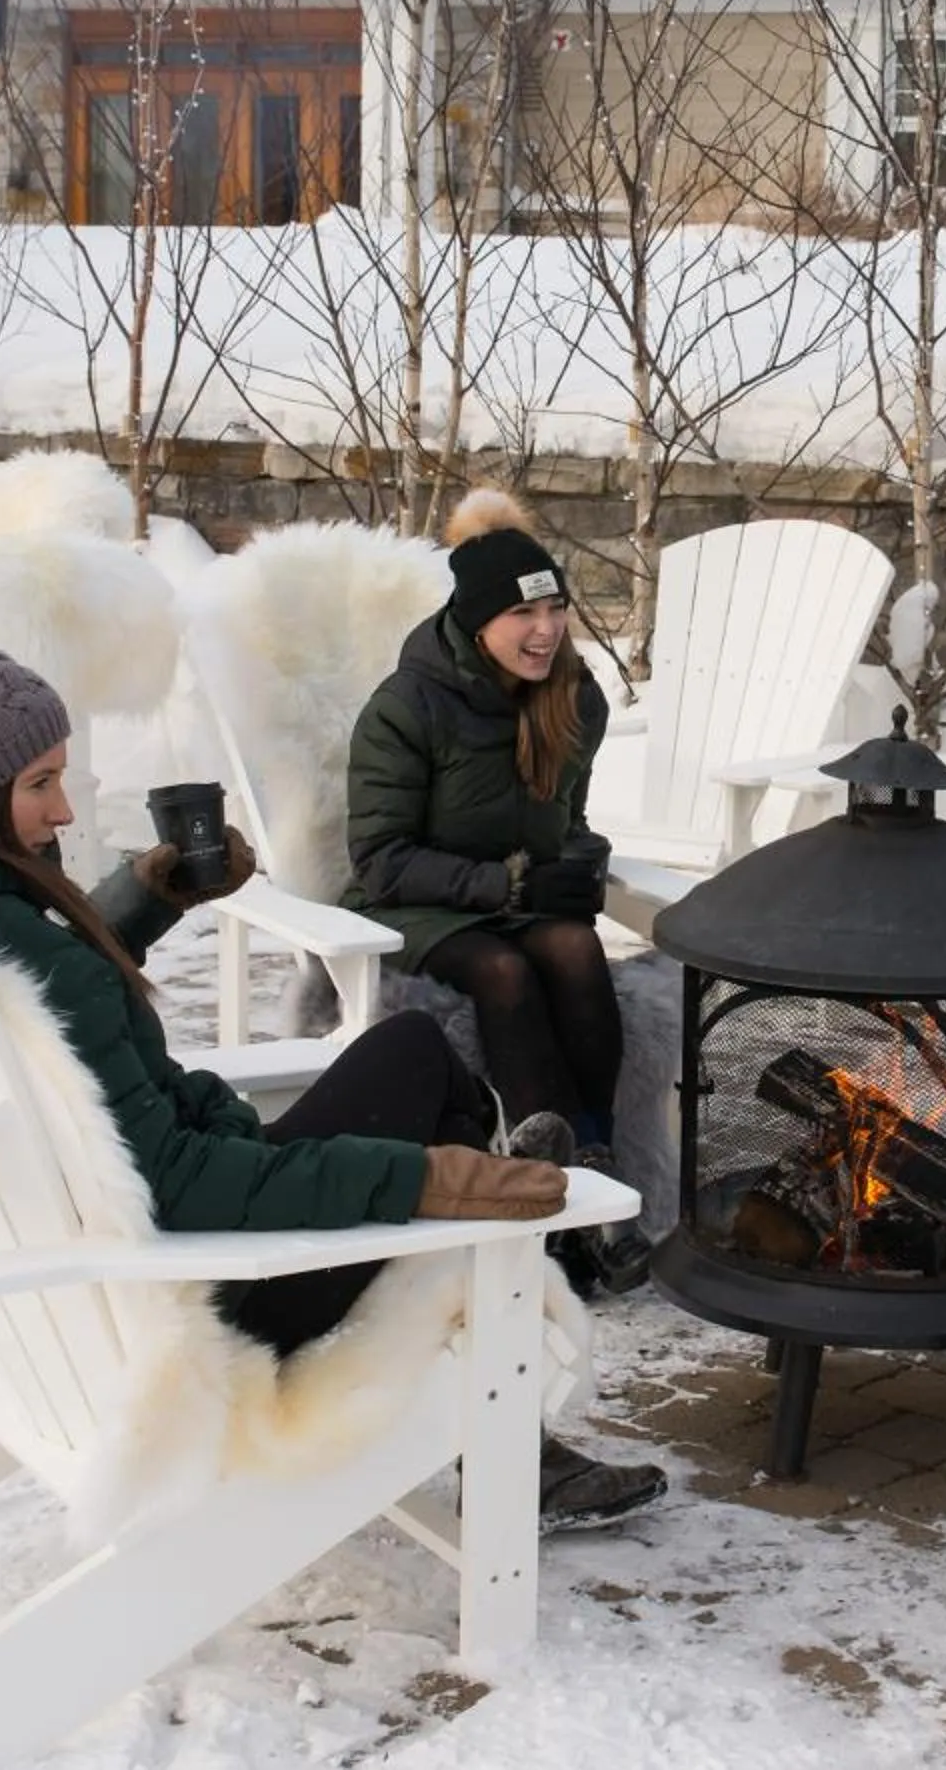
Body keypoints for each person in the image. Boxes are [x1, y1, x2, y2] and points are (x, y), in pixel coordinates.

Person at [0, 577, 665, 1531]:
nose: (64, 813)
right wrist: (428, 1180)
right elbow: (179, 1182)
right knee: (435, 1100)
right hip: (213, 1299)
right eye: (38, 785)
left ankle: (492, 1203)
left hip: (86, 1295)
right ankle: (511, 1423)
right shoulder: (34, 960)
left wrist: (151, 899)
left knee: (411, 1051)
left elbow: (89, 1037)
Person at [345, 488, 644, 1293]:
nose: (545, 631)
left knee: (576, 947)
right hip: (416, 906)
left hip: (514, 899)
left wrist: (576, 862)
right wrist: (507, 880)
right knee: (505, 973)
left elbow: (570, 817)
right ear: (478, 622)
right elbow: (378, 858)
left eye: (556, 612)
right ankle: (545, 1198)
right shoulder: (407, 707)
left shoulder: (573, 698)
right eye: (523, 616)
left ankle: (594, 1164)